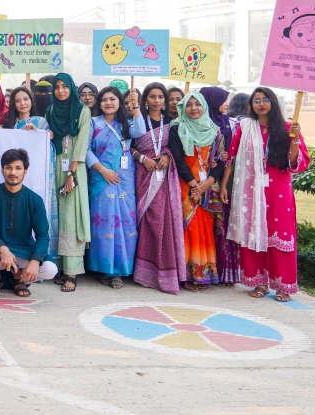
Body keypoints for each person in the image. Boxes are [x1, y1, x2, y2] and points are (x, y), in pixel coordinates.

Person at [225, 87, 309, 301]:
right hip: (250, 189)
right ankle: (259, 282)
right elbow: (231, 157)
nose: (261, 104)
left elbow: (295, 163)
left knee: (280, 235)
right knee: (253, 232)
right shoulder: (245, 127)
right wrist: (224, 184)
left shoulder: (288, 128)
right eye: (256, 100)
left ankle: (283, 285)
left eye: (266, 99)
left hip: (278, 190)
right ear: (251, 105)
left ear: (273, 102)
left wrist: (295, 139)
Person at [86, 85, 145, 288]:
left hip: (124, 179)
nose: (108, 103)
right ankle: (105, 269)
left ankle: (121, 268)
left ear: (119, 102)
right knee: (104, 222)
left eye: (112, 99)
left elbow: (141, 130)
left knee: (125, 221)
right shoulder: (93, 123)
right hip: (101, 178)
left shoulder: (126, 123)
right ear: (99, 103)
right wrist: (103, 171)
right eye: (104, 100)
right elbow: (86, 150)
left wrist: (135, 105)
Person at [0, 148, 58, 297]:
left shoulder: (34, 200)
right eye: (8, 167)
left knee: (50, 269)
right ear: (2, 170)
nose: (13, 172)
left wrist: (35, 261)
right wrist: (2, 248)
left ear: (25, 171)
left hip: (24, 251)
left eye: (18, 168)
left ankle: (19, 278)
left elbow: (42, 236)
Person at [130, 82, 185, 294]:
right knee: (145, 221)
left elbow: (176, 149)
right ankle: (141, 271)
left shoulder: (172, 122)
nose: (156, 100)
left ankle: (161, 271)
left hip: (163, 176)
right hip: (143, 173)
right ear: (145, 99)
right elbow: (129, 146)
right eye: (152, 96)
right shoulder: (138, 120)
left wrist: (166, 155)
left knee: (162, 221)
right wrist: (142, 158)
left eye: (160, 97)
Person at [169, 92, 223, 290]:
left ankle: (202, 273)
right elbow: (177, 159)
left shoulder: (214, 131)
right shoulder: (177, 128)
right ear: (183, 108)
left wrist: (206, 184)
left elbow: (221, 160)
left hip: (206, 186)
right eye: (189, 104)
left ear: (204, 107)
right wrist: (194, 186)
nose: (193, 108)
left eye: (197, 104)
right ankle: (186, 274)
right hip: (184, 185)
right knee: (187, 227)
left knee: (204, 228)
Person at [45, 73, 90, 291]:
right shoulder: (50, 111)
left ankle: (72, 272)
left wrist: (71, 172)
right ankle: (61, 268)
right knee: (58, 216)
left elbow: (81, 143)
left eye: (65, 86)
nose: (61, 91)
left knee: (71, 216)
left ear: (72, 88)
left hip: (74, 168)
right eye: (57, 87)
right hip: (55, 167)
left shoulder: (82, 110)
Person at [3, 86, 57, 260]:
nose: (22, 103)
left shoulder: (40, 122)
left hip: (35, 174)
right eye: (18, 100)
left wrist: (38, 133)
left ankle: (39, 254)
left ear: (31, 101)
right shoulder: (8, 124)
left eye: (25, 99)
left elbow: (49, 142)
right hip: (14, 176)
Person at [201, 85, 239, 284]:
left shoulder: (227, 124)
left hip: (219, 181)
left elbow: (228, 158)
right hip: (198, 180)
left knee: (220, 225)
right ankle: (204, 268)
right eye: (223, 100)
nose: (226, 104)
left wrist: (223, 185)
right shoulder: (198, 122)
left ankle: (221, 272)